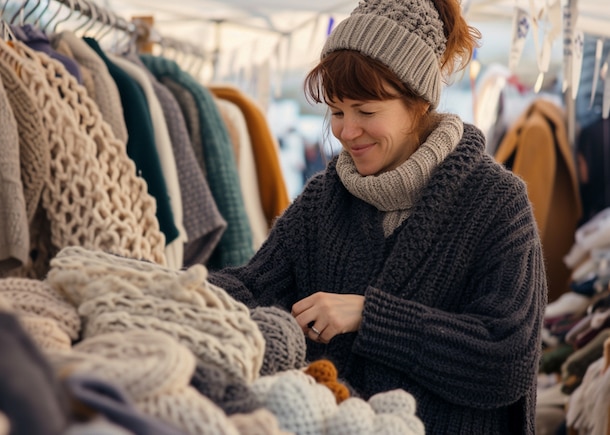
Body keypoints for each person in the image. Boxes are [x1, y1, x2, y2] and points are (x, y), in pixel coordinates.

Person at [208, 0, 547, 433]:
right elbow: (250, 287)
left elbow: (506, 358)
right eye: (336, 111)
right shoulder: (323, 201)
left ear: (418, 103)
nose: (346, 132)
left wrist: (372, 316)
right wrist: (160, 290)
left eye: (366, 112)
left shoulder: (495, 203)